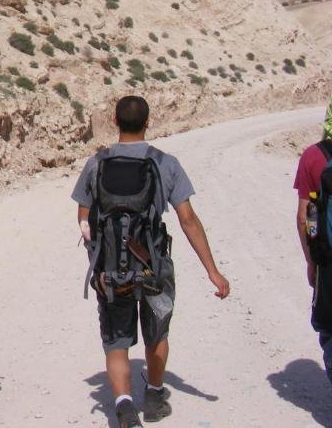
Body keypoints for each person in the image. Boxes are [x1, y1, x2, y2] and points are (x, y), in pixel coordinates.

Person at [72, 95, 230, 428]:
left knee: (116, 341)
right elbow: (188, 219)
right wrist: (212, 271)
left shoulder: (96, 164)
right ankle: (155, 396)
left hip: (112, 269)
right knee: (157, 332)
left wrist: (101, 262)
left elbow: (84, 220)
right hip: (155, 266)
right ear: (149, 122)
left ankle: (124, 404)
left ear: (114, 122)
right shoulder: (164, 163)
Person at [293, 98, 332, 382]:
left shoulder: (312, 156)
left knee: (330, 327)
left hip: (327, 259)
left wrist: (311, 261)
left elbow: (304, 216)